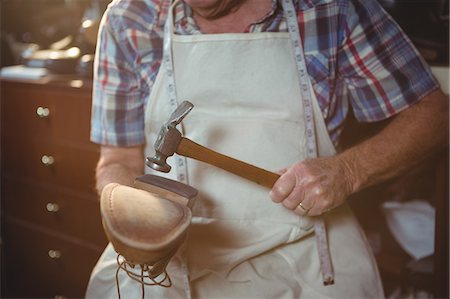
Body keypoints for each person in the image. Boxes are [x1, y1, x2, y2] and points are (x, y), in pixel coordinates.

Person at [86, 0, 448, 298]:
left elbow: (435, 115)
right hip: (169, 255)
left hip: (304, 249)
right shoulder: (128, 19)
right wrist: (128, 215)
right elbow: (116, 159)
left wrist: (348, 172)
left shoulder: (331, 9)